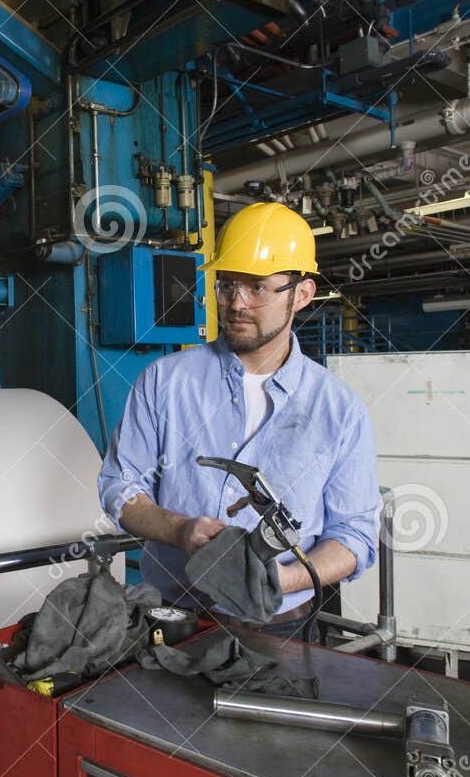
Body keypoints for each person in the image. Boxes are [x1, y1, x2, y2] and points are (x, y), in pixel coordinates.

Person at [96, 202, 380, 630]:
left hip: (281, 624)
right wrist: (180, 530)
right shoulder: (165, 382)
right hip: (172, 616)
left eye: (257, 287)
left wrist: (282, 580)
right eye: (227, 285)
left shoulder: (339, 409)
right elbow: (120, 487)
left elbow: (354, 535)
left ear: (302, 294)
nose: (236, 303)